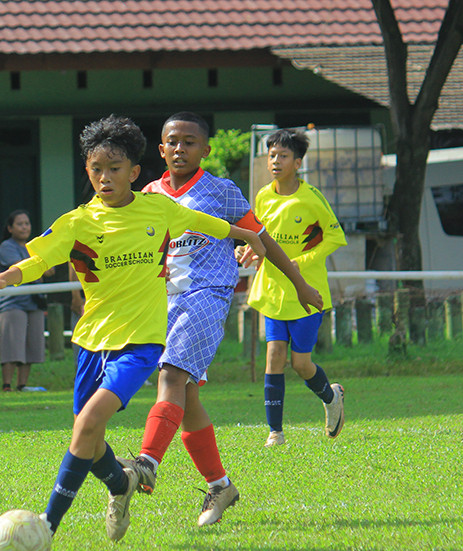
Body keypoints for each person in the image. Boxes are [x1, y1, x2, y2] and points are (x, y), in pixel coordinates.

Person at [0, 115, 267, 544]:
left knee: (89, 422)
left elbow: (212, 226)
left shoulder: (158, 208)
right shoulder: (77, 222)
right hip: (92, 340)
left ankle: (47, 526)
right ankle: (119, 484)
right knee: (88, 440)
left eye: (115, 169)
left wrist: (250, 238)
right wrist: (3, 278)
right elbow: (38, 260)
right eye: (96, 170)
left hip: (141, 342)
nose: (105, 178)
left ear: (134, 173)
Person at [123, 112, 324, 526]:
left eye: (190, 142)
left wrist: (300, 283)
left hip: (207, 295)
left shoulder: (221, 191)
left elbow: (262, 238)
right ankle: (220, 485)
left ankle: (146, 463)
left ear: (206, 150)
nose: (181, 149)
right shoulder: (147, 196)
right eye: (173, 142)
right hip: (163, 302)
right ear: (161, 149)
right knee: (187, 396)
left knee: (171, 377)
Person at [246, 128, 347, 447]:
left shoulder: (311, 197)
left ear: (298, 162)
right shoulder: (262, 196)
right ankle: (275, 432)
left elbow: (335, 237)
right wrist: (247, 249)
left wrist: (300, 262)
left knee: (301, 364)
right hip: (273, 290)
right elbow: (259, 237)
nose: (275, 161)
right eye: (272, 155)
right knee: (274, 356)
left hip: (306, 291)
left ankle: (331, 397)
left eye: (283, 156)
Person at [0, 209, 53, 392]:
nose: (25, 227)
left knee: (32, 345)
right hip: (13, 303)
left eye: (27, 223)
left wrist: (40, 269)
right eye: (20, 224)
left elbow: (46, 269)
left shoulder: (34, 246)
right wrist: (40, 268)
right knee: (13, 346)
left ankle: (22, 385)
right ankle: (6, 386)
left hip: (34, 302)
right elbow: (22, 270)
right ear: (10, 228)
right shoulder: (6, 247)